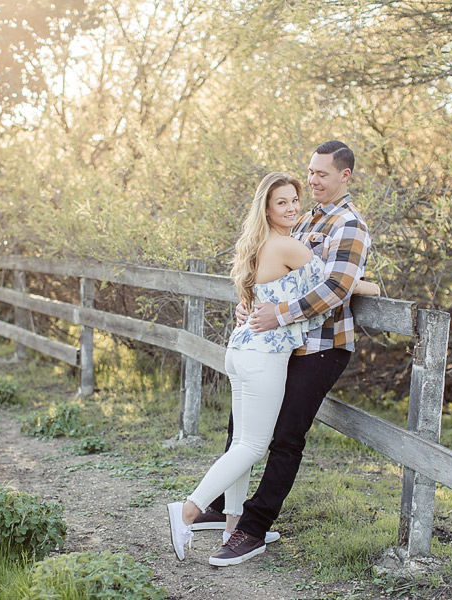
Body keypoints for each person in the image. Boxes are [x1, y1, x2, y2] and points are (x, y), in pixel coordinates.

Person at [166, 166, 379, 563]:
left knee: (241, 438)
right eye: (282, 202)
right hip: (265, 354)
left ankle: (232, 522)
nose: (292, 206)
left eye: (294, 200)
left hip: (241, 349)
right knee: (251, 445)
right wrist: (373, 286)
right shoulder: (289, 246)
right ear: (265, 209)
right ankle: (188, 510)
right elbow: (339, 284)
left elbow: (255, 295)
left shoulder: (261, 244)